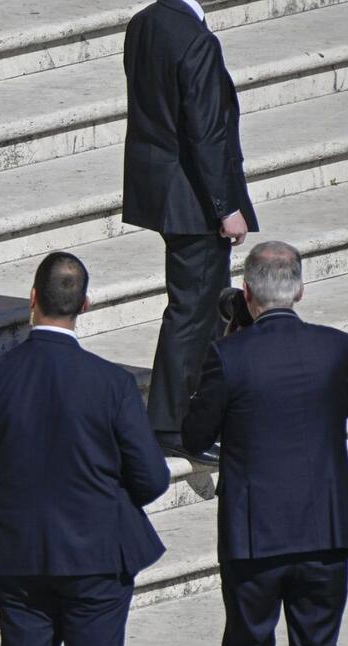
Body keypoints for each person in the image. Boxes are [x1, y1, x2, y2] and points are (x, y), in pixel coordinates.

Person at [0, 252, 170, 646]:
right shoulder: (112, 383)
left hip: (18, 549)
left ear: (33, 297)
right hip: (97, 552)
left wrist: (18, 487)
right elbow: (152, 478)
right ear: (84, 304)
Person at [183, 241, 348, 646]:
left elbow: (195, 436)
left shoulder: (228, 355)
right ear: (300, 291)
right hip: (325, 531)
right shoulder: (337, 348)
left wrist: (226, 346)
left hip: (253, 537)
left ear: (247, 292)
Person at [122, 0, 259, 464]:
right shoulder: (197, 39)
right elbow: (206, 130)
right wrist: (227, 207)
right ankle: (171, 423)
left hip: (162, 188)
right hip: (194, 200)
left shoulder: (144, 22)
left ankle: (197, 406)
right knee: (194, 310)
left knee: (198, 305)